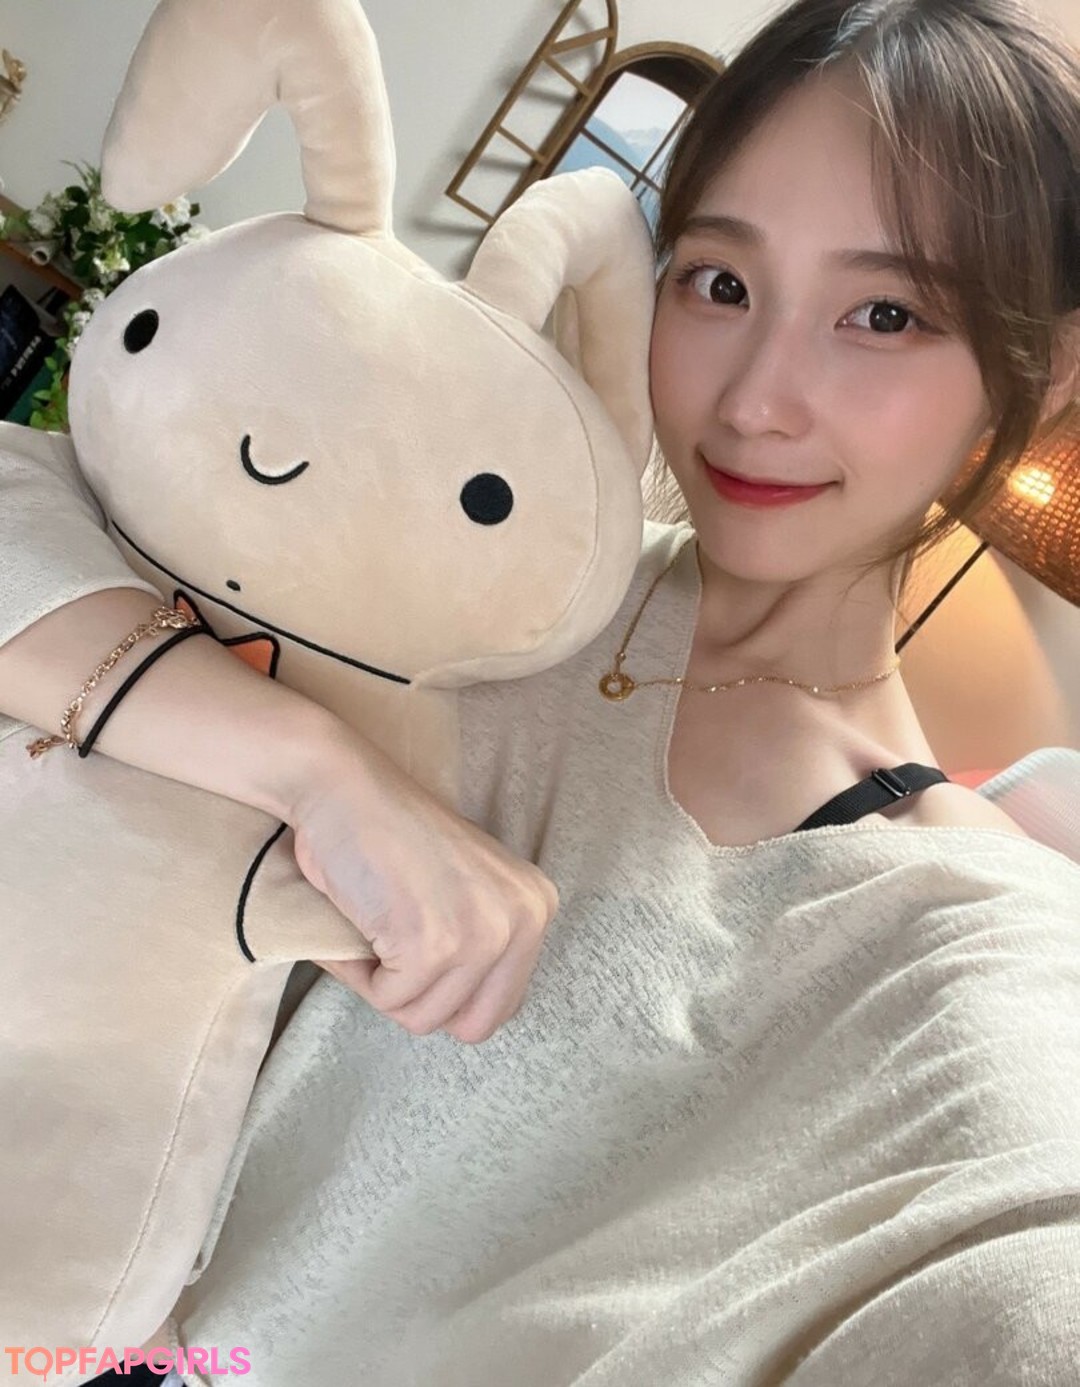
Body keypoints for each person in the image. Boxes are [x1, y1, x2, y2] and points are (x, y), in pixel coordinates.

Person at [1, 0, 1079, 1382]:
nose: (756, 397)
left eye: (885, 314)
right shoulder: (461, 546)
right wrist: (318, 770)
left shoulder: (944, 920)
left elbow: (1012, 1261)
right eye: (720, 282)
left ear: (1039, 378)